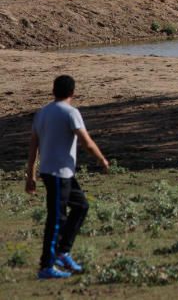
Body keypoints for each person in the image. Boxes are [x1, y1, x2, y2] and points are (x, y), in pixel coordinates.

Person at [25, 75, 109, 280]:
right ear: (73, 92)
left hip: (61, 173)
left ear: (53, 91)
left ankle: (63, 252)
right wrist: (102, 159)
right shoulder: (71, 113)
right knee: (55, 220)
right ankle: (46, 266)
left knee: (81, 206)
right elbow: (86, 142)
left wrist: (31, 175)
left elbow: (33, 147)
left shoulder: (42, 113)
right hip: (56, 174)